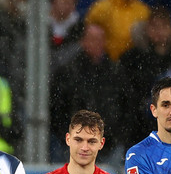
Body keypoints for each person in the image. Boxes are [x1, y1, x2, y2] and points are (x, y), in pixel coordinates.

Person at [52, 24, 131, 156]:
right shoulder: (69, 71)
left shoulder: (115, 71)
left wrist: (118, 135)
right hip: (75, 145)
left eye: (101, 39)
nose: (98, 44)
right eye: (93, 39)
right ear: (83, 42)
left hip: (109, 145)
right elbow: (59, 108)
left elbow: (126, 106)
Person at [85, 0, 150, 62]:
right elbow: (89, 33)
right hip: (106, 61)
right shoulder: (102, 7)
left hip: (134, 62)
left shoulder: (143, 11)